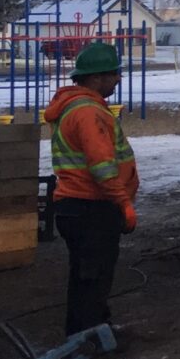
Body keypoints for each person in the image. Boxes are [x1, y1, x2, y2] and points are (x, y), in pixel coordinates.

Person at [43, 42, 139, 339]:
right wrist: (123, 202)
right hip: (91, 207)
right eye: (113, 74)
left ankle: (90, 331)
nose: (118, 79)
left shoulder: (76, 107)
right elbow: (102, 166)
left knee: (87, 275)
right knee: (93, 276)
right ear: (96, 78)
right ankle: (88, 337)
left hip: (77, 206)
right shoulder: (88, 113)